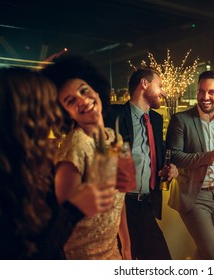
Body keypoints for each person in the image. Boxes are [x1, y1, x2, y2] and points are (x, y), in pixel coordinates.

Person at [0, 67, 116, 259]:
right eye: (42, 109)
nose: (53, 118)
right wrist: (72, 209)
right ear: (19, 118)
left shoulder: (24, 165)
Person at [41, 55, 131, 259]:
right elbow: (63, 221)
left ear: (97, 90)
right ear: (66, 114)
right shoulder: (75, 146)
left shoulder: (113, 138)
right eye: (71, 100)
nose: (83, 100)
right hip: (84, 256)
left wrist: (125, 243)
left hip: (112, 251)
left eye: (84, 90)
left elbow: (119, 198)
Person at [105, 67, 178, 260]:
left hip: (146, 204)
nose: (163, 91)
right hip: (121, 205)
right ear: (144, 84)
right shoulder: (114, 115)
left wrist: (169, 168)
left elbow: (155, 156)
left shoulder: (155, 118)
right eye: (160, 85)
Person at [166, 70, 214, 260]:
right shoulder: (180, 120)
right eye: (201, 91)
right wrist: (209, 156)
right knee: (213, 253)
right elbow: (175, 156)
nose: (205, 97)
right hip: (195, 195)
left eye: (211, 92)